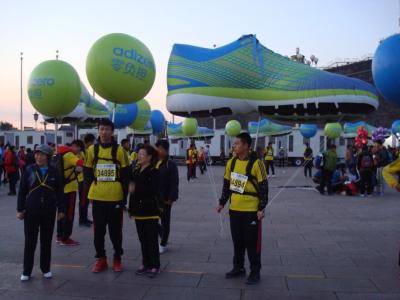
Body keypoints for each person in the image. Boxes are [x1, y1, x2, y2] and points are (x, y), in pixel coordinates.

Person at [217, 132, 268, 285]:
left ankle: (255, 272)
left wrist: (261, 208)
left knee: (252, 244)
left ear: (246, 146)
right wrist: (222, 203)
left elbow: (264, 187)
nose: (234, 146)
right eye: (234, 143)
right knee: (237, 241)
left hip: (251, 211)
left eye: (237, 143)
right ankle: (238, 268)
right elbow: (227, 185)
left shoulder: (257, 163)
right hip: (235, 210)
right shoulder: (231, 163)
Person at [84, 119, 130, 273]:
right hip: (97, 197)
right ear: (98, 131)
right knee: (98, 232)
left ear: (112, 131)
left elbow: (125, 174)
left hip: (115, 197)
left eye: (107, 129)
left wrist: (124, 199)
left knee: (115, 232)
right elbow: (87, 172)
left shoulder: (119, 151)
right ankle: (101, 259)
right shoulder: (92, 150)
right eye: (101, 129)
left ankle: (117, 258)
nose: (104, 132)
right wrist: (89, 189)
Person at [17, 144, 66, 281]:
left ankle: (45, 268)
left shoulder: (54, 171)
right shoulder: (29, 170)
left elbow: (60, 192)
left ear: (48, 156)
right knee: (30, 241)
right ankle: (27, 271)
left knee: (46, 241)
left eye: (42, 154)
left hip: (49, 211)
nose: (38, 156)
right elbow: (22, 191)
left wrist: (61, 210)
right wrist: (20, 209)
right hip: (31, 211)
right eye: (37, 154)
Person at [129, 145, 163, 278]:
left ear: (149, 157)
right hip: (138, 212)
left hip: (150, 211)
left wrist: (135, 188)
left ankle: (155, 265)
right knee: (143, 239)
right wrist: (131, 210)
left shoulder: (154, 172)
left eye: (142, 154)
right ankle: (145, 263)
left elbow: (153, 191)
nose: (139, 156)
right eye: (139, 154)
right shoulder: (136, 170)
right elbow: (132, 193)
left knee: (152, 240)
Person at [56, 143, 84, 245]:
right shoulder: (69, 155)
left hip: (61, 189)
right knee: (69, 214)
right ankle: (65, 238)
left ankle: (59, 236)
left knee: (61, 212)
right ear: (72, 146)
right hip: (69, 189)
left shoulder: (60, 154)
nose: (79, 150)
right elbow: (81, 162)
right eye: (78, 147)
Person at [155, 140, 179, 254]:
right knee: (152, 220)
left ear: (166, 150)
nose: (158, 151)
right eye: (157, 148)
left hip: (165, 198)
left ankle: (163, 243)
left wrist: (171, 198)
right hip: (153, 198)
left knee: (165, 221)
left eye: (160, 148)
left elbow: (174, 182)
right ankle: (161, 233)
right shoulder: (153, 161)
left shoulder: (170, 164)